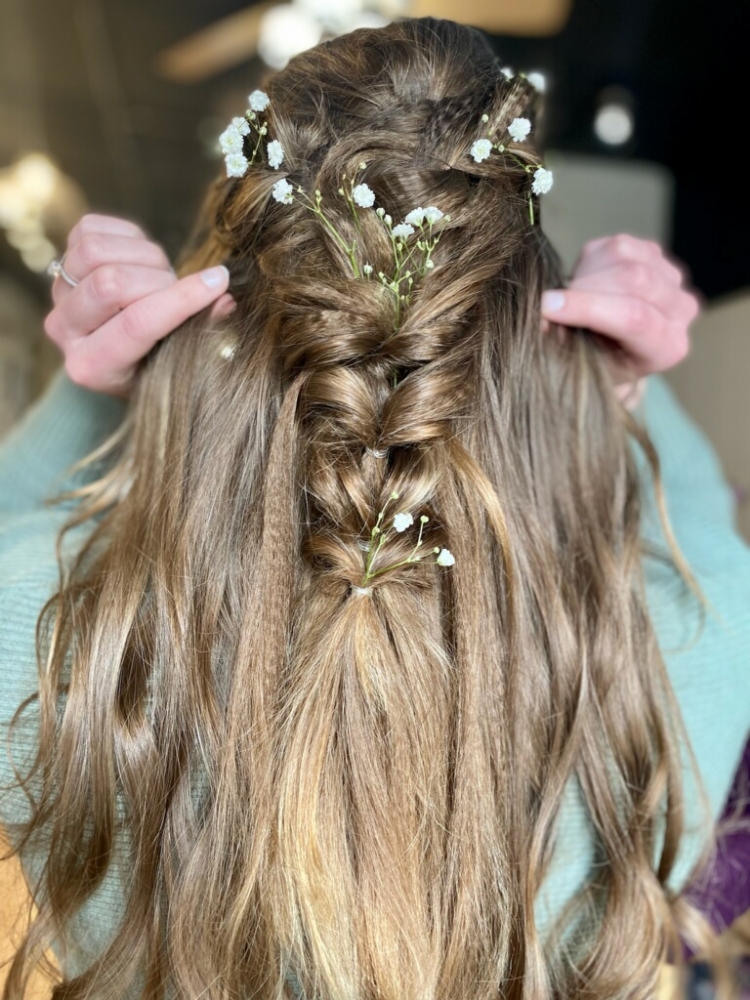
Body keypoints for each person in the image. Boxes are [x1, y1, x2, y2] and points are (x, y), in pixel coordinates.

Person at [1, 17, 747, 1000]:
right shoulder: (669, 678)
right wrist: (619, 387)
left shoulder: (55, 660)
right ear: (535, 372)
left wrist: (98, 385)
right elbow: (707, 529)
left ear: (207, 365)